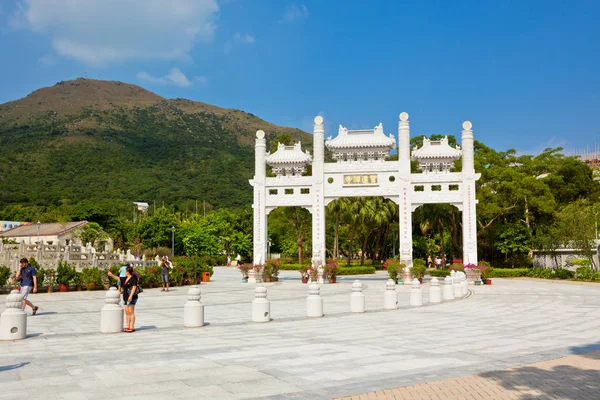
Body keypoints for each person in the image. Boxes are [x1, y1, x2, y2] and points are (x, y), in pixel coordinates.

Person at [108, 266, 138, 332]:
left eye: (125, 271)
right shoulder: (125, 278)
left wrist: (131, 296)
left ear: (128, 272)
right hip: (125, 297)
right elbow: (118, 278)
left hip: (131, 297)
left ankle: (132, 326)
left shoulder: (133, 278)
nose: (124, 272)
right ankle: (128, 326)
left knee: (131, 312)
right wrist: (111, 275)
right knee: (127, 312)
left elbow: (134, 287)